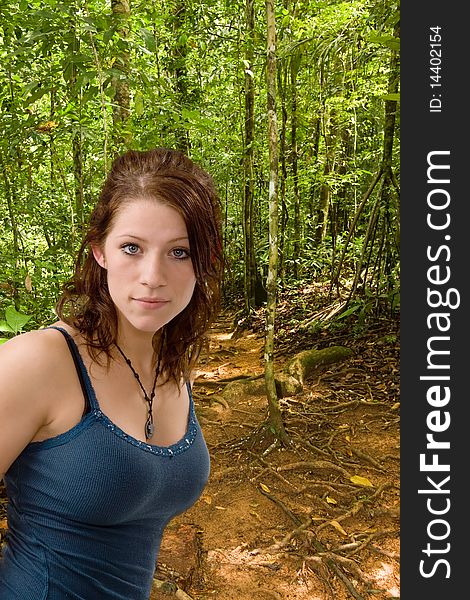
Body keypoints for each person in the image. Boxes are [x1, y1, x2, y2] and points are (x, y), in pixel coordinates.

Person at [0, 147, 223, 599]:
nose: (152, 275)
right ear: (99, 250)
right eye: (132, 248)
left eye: (178, 252)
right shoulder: (40, 362)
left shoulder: (173, 362)